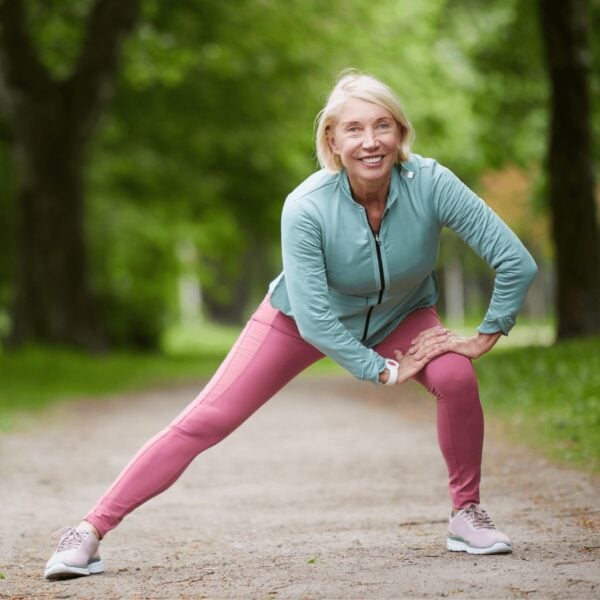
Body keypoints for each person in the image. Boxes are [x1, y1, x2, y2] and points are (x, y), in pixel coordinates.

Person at [44, 70, 537, 579]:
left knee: (455, 376)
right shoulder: (306, 205)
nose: (371, 142)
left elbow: (515, 261)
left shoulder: (432, 183)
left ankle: (467, 514)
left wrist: (484, 335)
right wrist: (382, 371)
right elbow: (317, 316)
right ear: (332, 140)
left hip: (402, 314)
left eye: (383, 126)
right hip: (299, 319)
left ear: (401, 133)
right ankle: (88, 531)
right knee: (208, 417)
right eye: (354, 129)